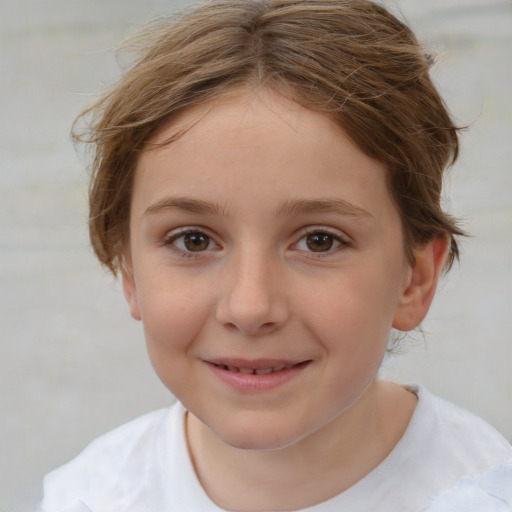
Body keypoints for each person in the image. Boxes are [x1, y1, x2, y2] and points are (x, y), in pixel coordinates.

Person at [39, 1, 512, 511]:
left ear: (414, 279)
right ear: (130, 271)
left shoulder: (485, 493)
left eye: (319, 241)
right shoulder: (88, 497)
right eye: (193, 240)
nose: (250, 308)